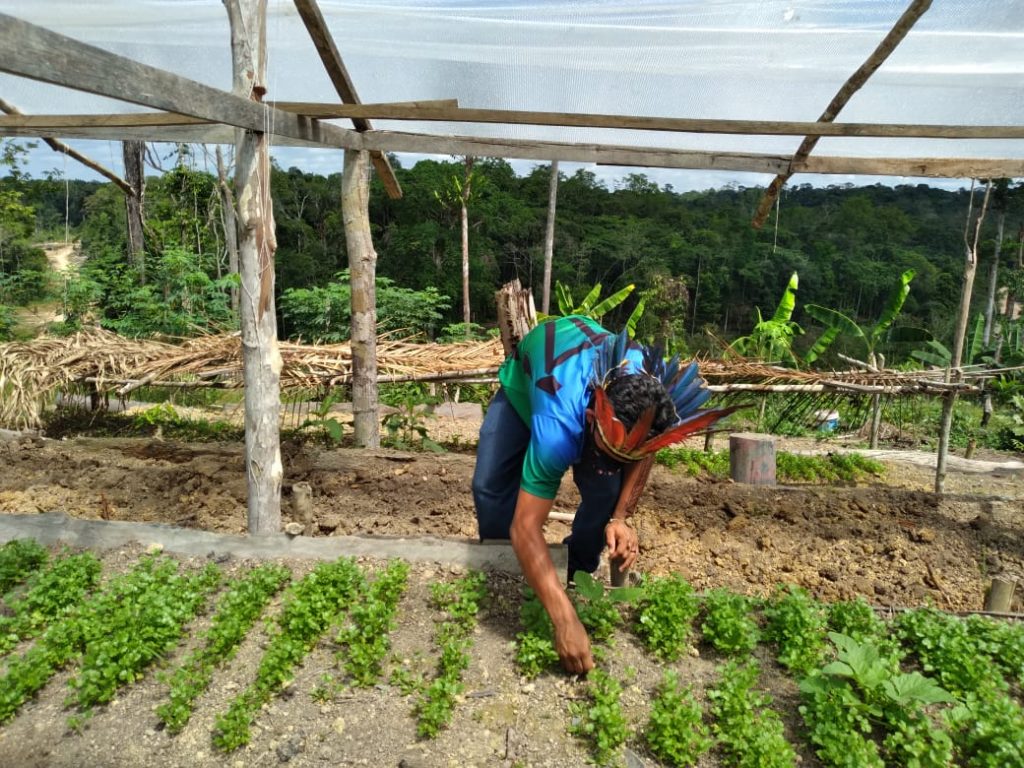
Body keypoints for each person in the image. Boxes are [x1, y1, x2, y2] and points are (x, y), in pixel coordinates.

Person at [472, 314, 735, 674]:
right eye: (608, 453)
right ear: (595, 417)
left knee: (606, 491)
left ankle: (576, 570)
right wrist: (564, 621)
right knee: (489, 486)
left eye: (623, 456)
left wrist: (621, 516)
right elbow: (526, 527)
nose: (610, 462)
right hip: (531, 384)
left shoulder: (649, 390)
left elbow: (644, 450)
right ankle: (502, 568)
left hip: (589, 390)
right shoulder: (557, 428)